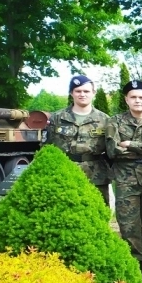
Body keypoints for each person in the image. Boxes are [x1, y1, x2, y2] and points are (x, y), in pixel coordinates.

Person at [105, 80, 142, 283]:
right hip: (125, 180)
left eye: (141, 97)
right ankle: (134, 268)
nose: (137, 100)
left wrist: (131, 144)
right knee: (129, 226)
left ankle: (141, 264)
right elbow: (113, 150)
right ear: (126, 100)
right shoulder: (114, 122)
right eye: (133, 97)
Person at [45, 75, 111, 205]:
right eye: (78, 91)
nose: (82, 94)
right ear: (71, 93)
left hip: (96, 175)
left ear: (93, 93)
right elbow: (47, 147)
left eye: (86, 91)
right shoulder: (57, 118)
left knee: (98, 210)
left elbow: (111, 149)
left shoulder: (105, 119)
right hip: (64, 172)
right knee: (66, 209)